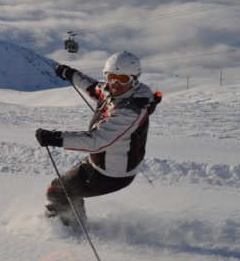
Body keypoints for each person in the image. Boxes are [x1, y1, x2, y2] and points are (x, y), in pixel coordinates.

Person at [35, 51, 160, 227]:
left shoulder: (130, 110)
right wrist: (69, 73)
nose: (115, 83)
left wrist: (56, 138)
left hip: (111, 174)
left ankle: (69, 228)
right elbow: (92, 87)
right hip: (103, 161)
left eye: (122, 78)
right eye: (111, 77)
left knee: (58, 190)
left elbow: (97, 141)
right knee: (61, 187)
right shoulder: (114, 92)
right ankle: (70, 221)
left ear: (134, 79)